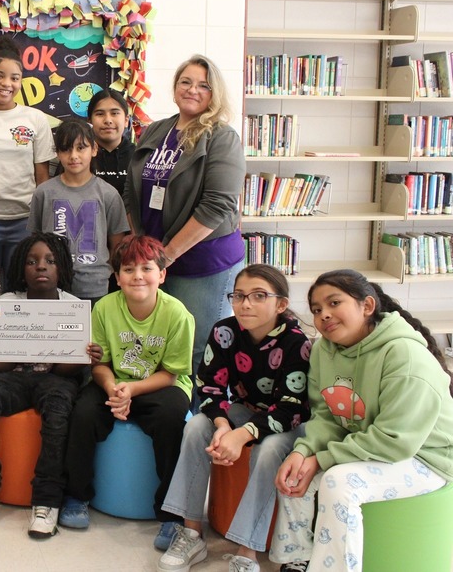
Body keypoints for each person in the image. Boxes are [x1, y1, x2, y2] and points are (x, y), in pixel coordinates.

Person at [270, 270, 453, 572]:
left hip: (426, 457)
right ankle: (297, 560)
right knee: (295, 470)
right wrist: (302, 452)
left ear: (367, 306)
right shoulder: (323, 351)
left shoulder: (404, 354)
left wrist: (324, 459)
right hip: (365, 446)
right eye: (316, 310)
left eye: (334, 303)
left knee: (338, 482)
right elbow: (327, 415)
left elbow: (394, 440)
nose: (324, 315)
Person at [158, 264, 311, 572]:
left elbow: (289, 409)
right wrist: (222, 425)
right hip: (246, 410)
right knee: (197, 426)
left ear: (281, 304)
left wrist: (241, 436)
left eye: (258, 296)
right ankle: (191, 533)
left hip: (288, 421)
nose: (246, 304)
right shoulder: (224, 331)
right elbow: (210, 387)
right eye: (239, 295)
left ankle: (247, 551)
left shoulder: (297, 343)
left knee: (268, 450)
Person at [0, 232, 101, 538]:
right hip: (14, 377)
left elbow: (63, 369)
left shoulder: (73, 306)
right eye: (32, 262)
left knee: (59, 413)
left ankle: (47, 500)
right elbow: (6, 363)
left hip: (57, 378)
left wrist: (85, 357)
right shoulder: (8, 303)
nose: (41, 267)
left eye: (49, 261)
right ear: (21, 268)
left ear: (62, 269)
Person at [59, 235, 194, 551]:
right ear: (116, 277)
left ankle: (171, 513)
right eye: (128, 269)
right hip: (114, 381)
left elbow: (172, 373)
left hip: (162, 385)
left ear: (161, 275)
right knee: (82, 412)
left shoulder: (178, 314)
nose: (137, 276)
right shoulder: (105, 307)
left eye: (146, 268)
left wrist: (131, 390)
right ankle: (77, 496)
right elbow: (100, 364)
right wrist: (113, 389)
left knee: (172, 419)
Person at [124, 55, 245, 408]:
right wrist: (144, 248)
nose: (193, 90)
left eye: (203, 85)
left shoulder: (222, 138)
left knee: (197, 352)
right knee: (162, 349)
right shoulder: (156, 130)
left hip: (203, 265)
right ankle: (169, 427)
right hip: (158, 262)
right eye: (186, 82)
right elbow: (133, 191)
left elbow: (217, 206)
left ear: (215, 93)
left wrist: (165, 256)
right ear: (175, 86)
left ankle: (199, 429)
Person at [0, 35, 56, 291]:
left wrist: (42, 224)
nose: (6, 83)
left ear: (21, 81)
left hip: (25, 221)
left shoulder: (35, 118)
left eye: (14, 78)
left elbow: (42, 176)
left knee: (19, 289)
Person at [28, 119, 129, 303]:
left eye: (81, 148)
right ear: (57, 153)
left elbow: (117, 245)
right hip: (51, 286)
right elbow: (34, 242)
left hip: (94, 286)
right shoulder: (43, 192)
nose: (73, 155)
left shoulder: (108, 194)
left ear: (94, 149)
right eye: (66, 149)